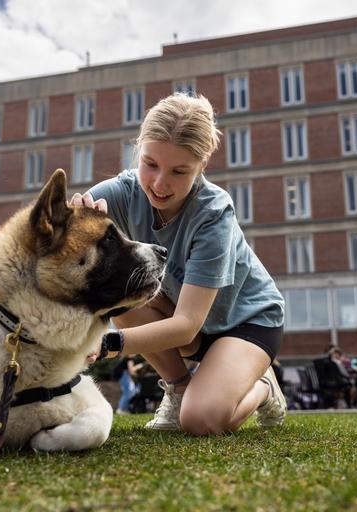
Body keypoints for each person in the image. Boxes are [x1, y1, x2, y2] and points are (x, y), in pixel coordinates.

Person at [71, 93, 287, 435]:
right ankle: (180, 387)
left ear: (201, 166)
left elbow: (186, 324)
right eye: (151, 163)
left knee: (201, 420)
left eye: (179, 171)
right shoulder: (120, 193)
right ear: (138, 150)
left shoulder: (214, 214)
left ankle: (262, 387)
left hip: (246, 322)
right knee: (119, 285)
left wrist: (109, 343)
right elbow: (67, 230)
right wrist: (75, 222)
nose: (159, 183)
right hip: (187, 322)